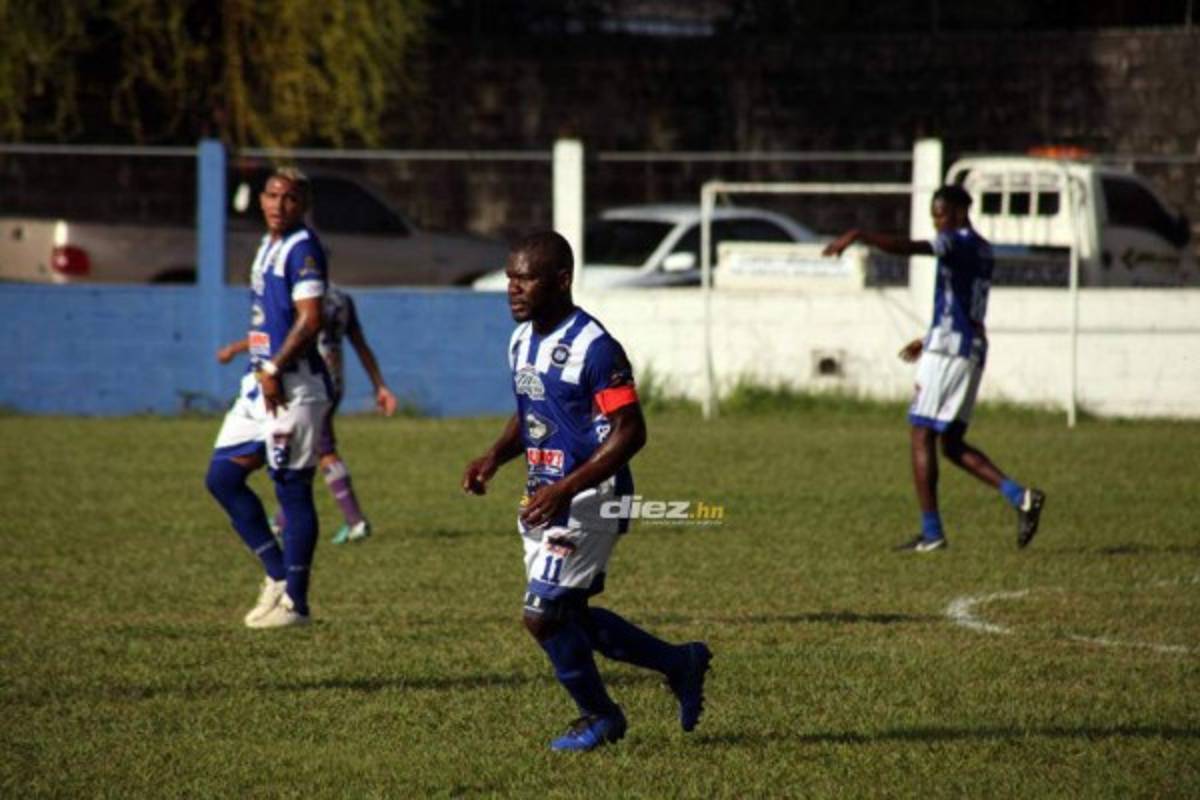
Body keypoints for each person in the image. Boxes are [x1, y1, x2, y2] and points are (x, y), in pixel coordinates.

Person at [461, 231, 711, 752]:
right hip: (545, 495)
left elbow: (630, 430)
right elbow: (534, 410)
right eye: (509, 278)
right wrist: (493, 457)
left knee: (541, 615)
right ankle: (678, 663)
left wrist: (566, 489)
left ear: (561, 280)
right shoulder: (521, 338)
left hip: (593, 496)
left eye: (525, 278)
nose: (513, 289)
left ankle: (600, 716)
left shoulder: (596, 348)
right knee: (569, 615)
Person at [823, 185, 1045, 552]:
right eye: (934, 216)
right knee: (952, 444)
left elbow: (912, 248)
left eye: (941, 214)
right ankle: (1019, 496)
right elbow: (961, 305)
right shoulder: (982, 248)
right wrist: (928, 339)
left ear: (960, 211)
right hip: (964, 347)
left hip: (951, 352)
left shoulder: (956, 241)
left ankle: (932, 534)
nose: (937, 223)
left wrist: (861, 235)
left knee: (920, 432)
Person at [205, 167, 331, 628]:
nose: (279, 205)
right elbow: (269, 318)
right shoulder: (268, 245)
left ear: (304, 206)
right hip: (259, 385)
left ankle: (296, 603)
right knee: (221, 478)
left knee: (291, 487)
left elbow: (311, 318)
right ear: (260, 199)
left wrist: (275, 366)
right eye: (273, 195)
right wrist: (253, 357)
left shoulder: (303, 248)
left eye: (291, 198)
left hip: (293, 387)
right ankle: (277, 576)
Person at [218, 284, 398, 544]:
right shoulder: (341, 299)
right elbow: (360, 343)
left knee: (319, 450)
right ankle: (282, 519)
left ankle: (354, 520)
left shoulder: (299, 298)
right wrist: (379, 384)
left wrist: (235, 349)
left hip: (304, 382)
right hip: (333, 379)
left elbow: (281, 335)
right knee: (306, 447)